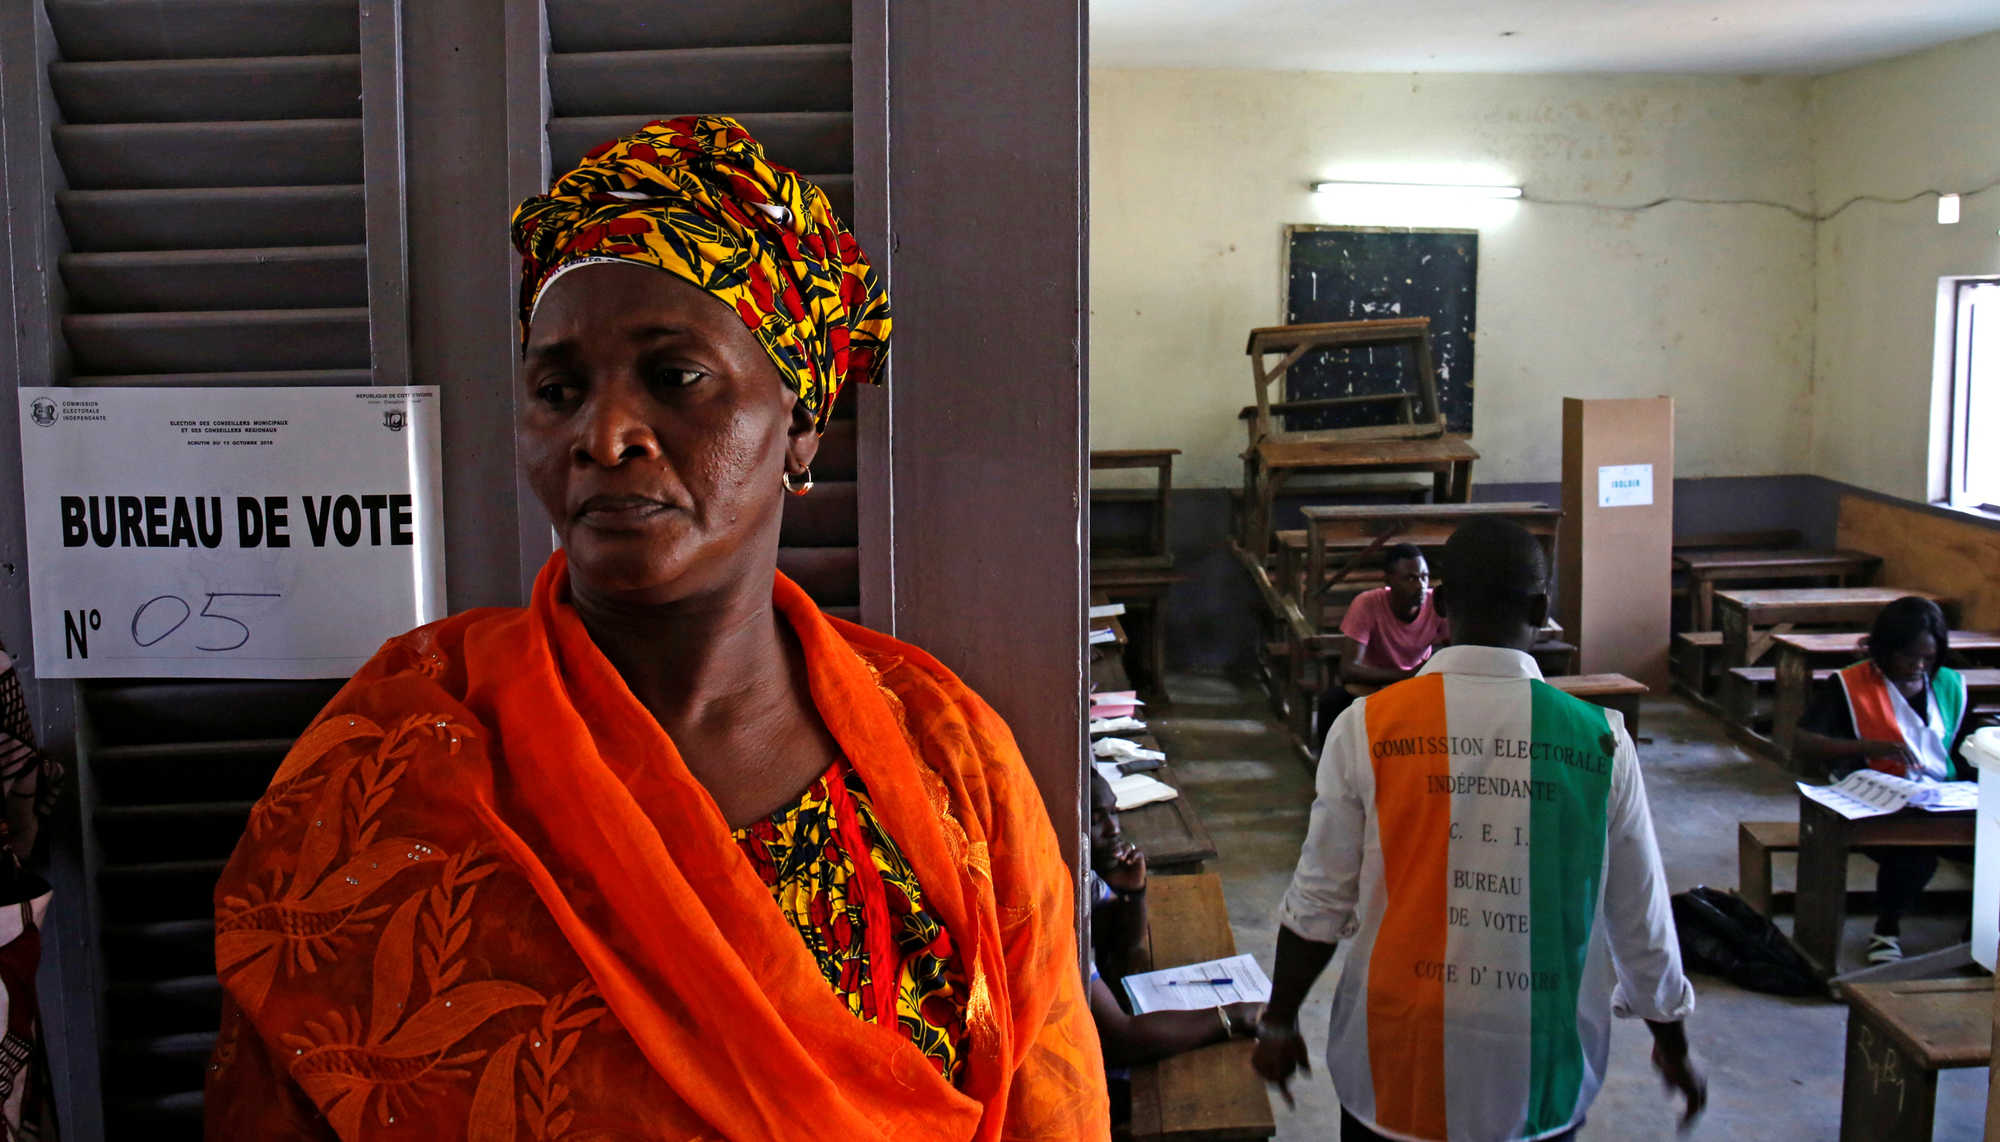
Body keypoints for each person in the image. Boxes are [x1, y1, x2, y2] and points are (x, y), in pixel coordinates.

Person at [204, 116, 1108, 1140]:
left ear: (800, 422)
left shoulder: (943, 754)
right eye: (557, 391)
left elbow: (1046, 1098)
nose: (602, 434)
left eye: (674, 377)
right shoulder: (392, 767)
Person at [1253, 518, 1704, 1142]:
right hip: (1538, 1062)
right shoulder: (1600, 741)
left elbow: (1319, 899)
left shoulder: (1367, 727)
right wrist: (1673, 1043)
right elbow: (1640, 914)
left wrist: (1279, 1019)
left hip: (1395, 1054)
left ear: (1439, 605)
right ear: (1542, 609)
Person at [1793, 595, 1976, 963]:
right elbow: (1804, 741)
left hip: (1942, 798)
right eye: (1909, 657)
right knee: (1913, 853)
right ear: (1886, 648)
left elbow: (1964, 745)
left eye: (1928, 658)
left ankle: (1978, 939)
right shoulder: (1850, 684)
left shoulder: (1949, 685)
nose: (1918, 666)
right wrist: (1870, 746)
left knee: (1992, 844)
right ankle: (1885, 933)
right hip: (1875, 798)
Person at [1085, 774, 1261, 1106]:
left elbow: (1128, 951)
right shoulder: (1059, 898)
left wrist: (1133, 893)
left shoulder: (1090, 880)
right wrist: (1235, 1016)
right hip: (1090, 1082)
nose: (1114, 829)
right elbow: (1120, 1039)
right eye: (1096, 821)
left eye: (1113, 813)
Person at [1316, 543, 1448, 747]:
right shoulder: (1368, 603)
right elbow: (1348, 670)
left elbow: (1457, 648)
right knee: (1330, 703)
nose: (1420, 585)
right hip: (1372, 683)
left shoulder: (1435, 604)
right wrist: (1407, 675)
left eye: (1424, 577)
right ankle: (1326, 768)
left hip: (1415, 686)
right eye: (1410, 578)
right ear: (1389, 580)